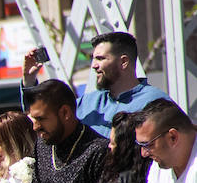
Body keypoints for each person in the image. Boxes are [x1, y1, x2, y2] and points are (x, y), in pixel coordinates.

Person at [22, 31, 170, 138]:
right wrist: (29, 81)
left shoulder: (156, 102)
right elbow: (43, 121)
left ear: (123, 62)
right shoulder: (86, 102)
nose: (93, 65)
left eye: (100, 59)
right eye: (93, 59)